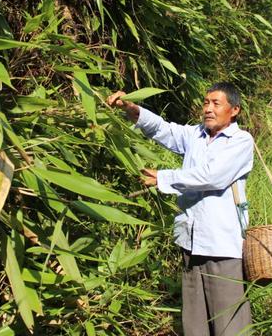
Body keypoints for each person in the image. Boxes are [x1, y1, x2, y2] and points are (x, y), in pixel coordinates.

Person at [107, 82, 254, 336]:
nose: (208, 109)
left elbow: (213, 176)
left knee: (230, 324)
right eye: (206, 102)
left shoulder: (240, 141)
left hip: (222, 245)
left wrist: (163, 178)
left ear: (234, 110)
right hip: (191, 241)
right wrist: (132, 109)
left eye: (216, 104)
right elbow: (163, 130)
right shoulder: (196, 135)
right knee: (195, 323)